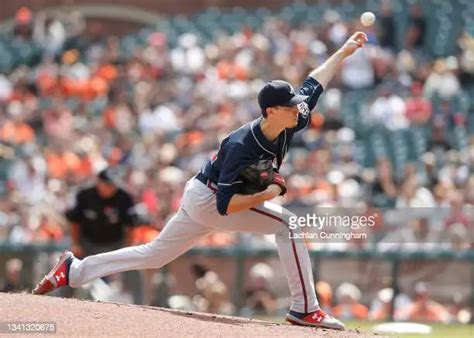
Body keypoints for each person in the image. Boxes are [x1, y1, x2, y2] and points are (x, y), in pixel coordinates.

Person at [32, 31, 368, 331]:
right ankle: (305, 309)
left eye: (295, 105)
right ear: (269, 111)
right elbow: (226, 207)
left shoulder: (290, 119)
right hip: (212, 200)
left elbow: (314, 83)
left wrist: (342, 52)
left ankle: (73, 270)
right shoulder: (242, 146)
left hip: (199, 193)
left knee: (154, 255)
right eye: (289, 106)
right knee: (288, 225)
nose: (297, 109)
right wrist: (267, 192)